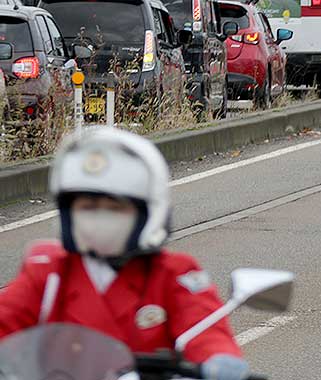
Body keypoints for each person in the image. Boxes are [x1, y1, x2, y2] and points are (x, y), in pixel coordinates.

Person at [0, 128, 249, 379]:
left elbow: (204, 329)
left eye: (115, 208)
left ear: (146, 214)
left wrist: (218, 358)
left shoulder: (173, 273)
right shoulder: (48, 272)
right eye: (87, 207)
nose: (99, 218)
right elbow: (7, 319)